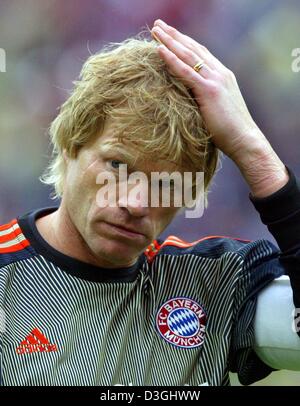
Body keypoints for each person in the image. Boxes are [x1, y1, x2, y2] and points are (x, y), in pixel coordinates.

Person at [0, 19, 300, 386]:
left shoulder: (217, 281)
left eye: (167, 184)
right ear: (70, 143)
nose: (136, 203)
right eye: (118, 165)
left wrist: (255, 153)